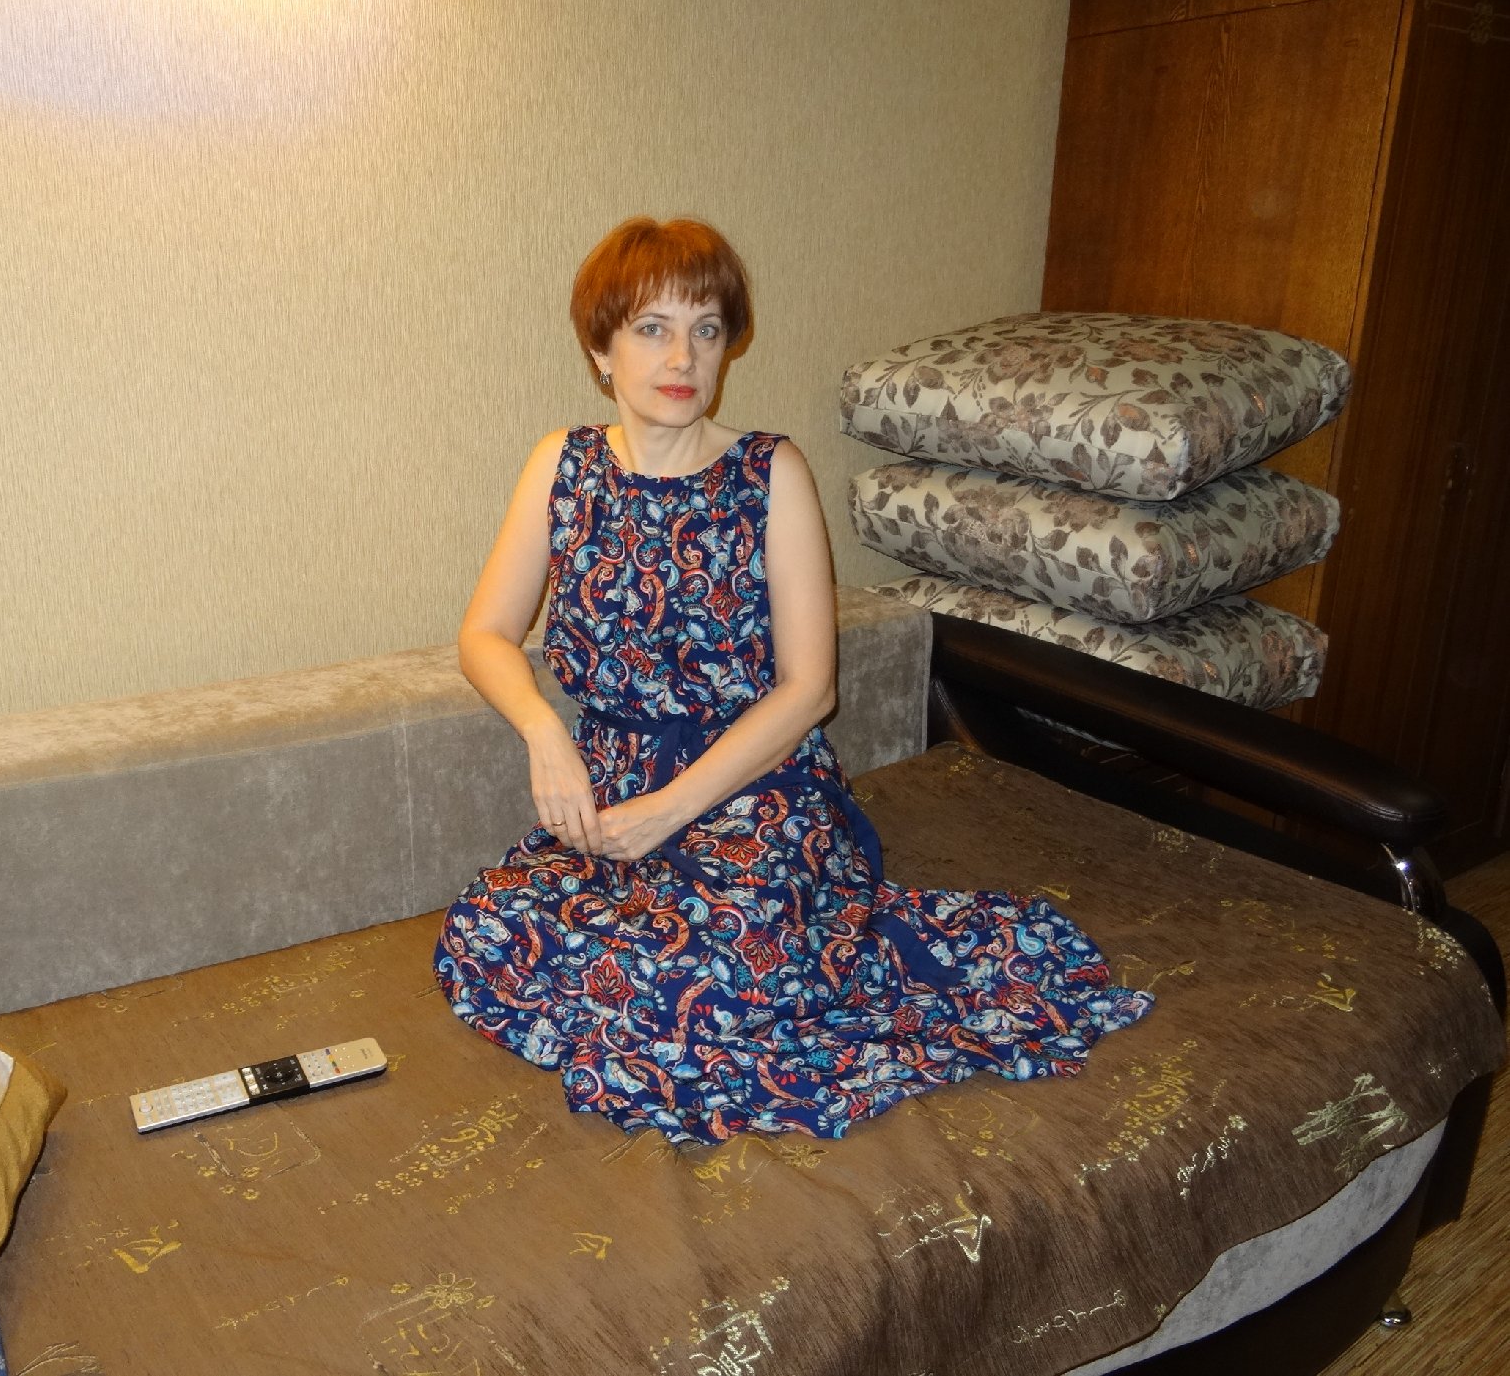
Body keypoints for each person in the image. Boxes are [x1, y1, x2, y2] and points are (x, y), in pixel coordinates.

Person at [432, 217, 1152, 1145]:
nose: (683, 356)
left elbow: (810, 689)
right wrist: (545, 733)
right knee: (489, 930)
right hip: (609, 788)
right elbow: (484, 634)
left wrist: (669, 810)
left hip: (757, 787)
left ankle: (805, 947)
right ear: (600, 351)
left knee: (712, 975)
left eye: (706, 328)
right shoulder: (559, 467)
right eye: (652, 328)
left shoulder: (770, 472)